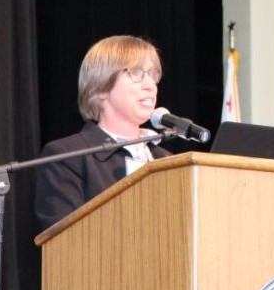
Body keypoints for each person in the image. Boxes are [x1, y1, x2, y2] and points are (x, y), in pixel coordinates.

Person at [34, 35, 171, 232]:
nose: (150, 85)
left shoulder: (167, 161)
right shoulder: (67, 157)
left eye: (153, 74)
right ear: (101, 88)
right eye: (136, 73)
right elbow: (66, 241)